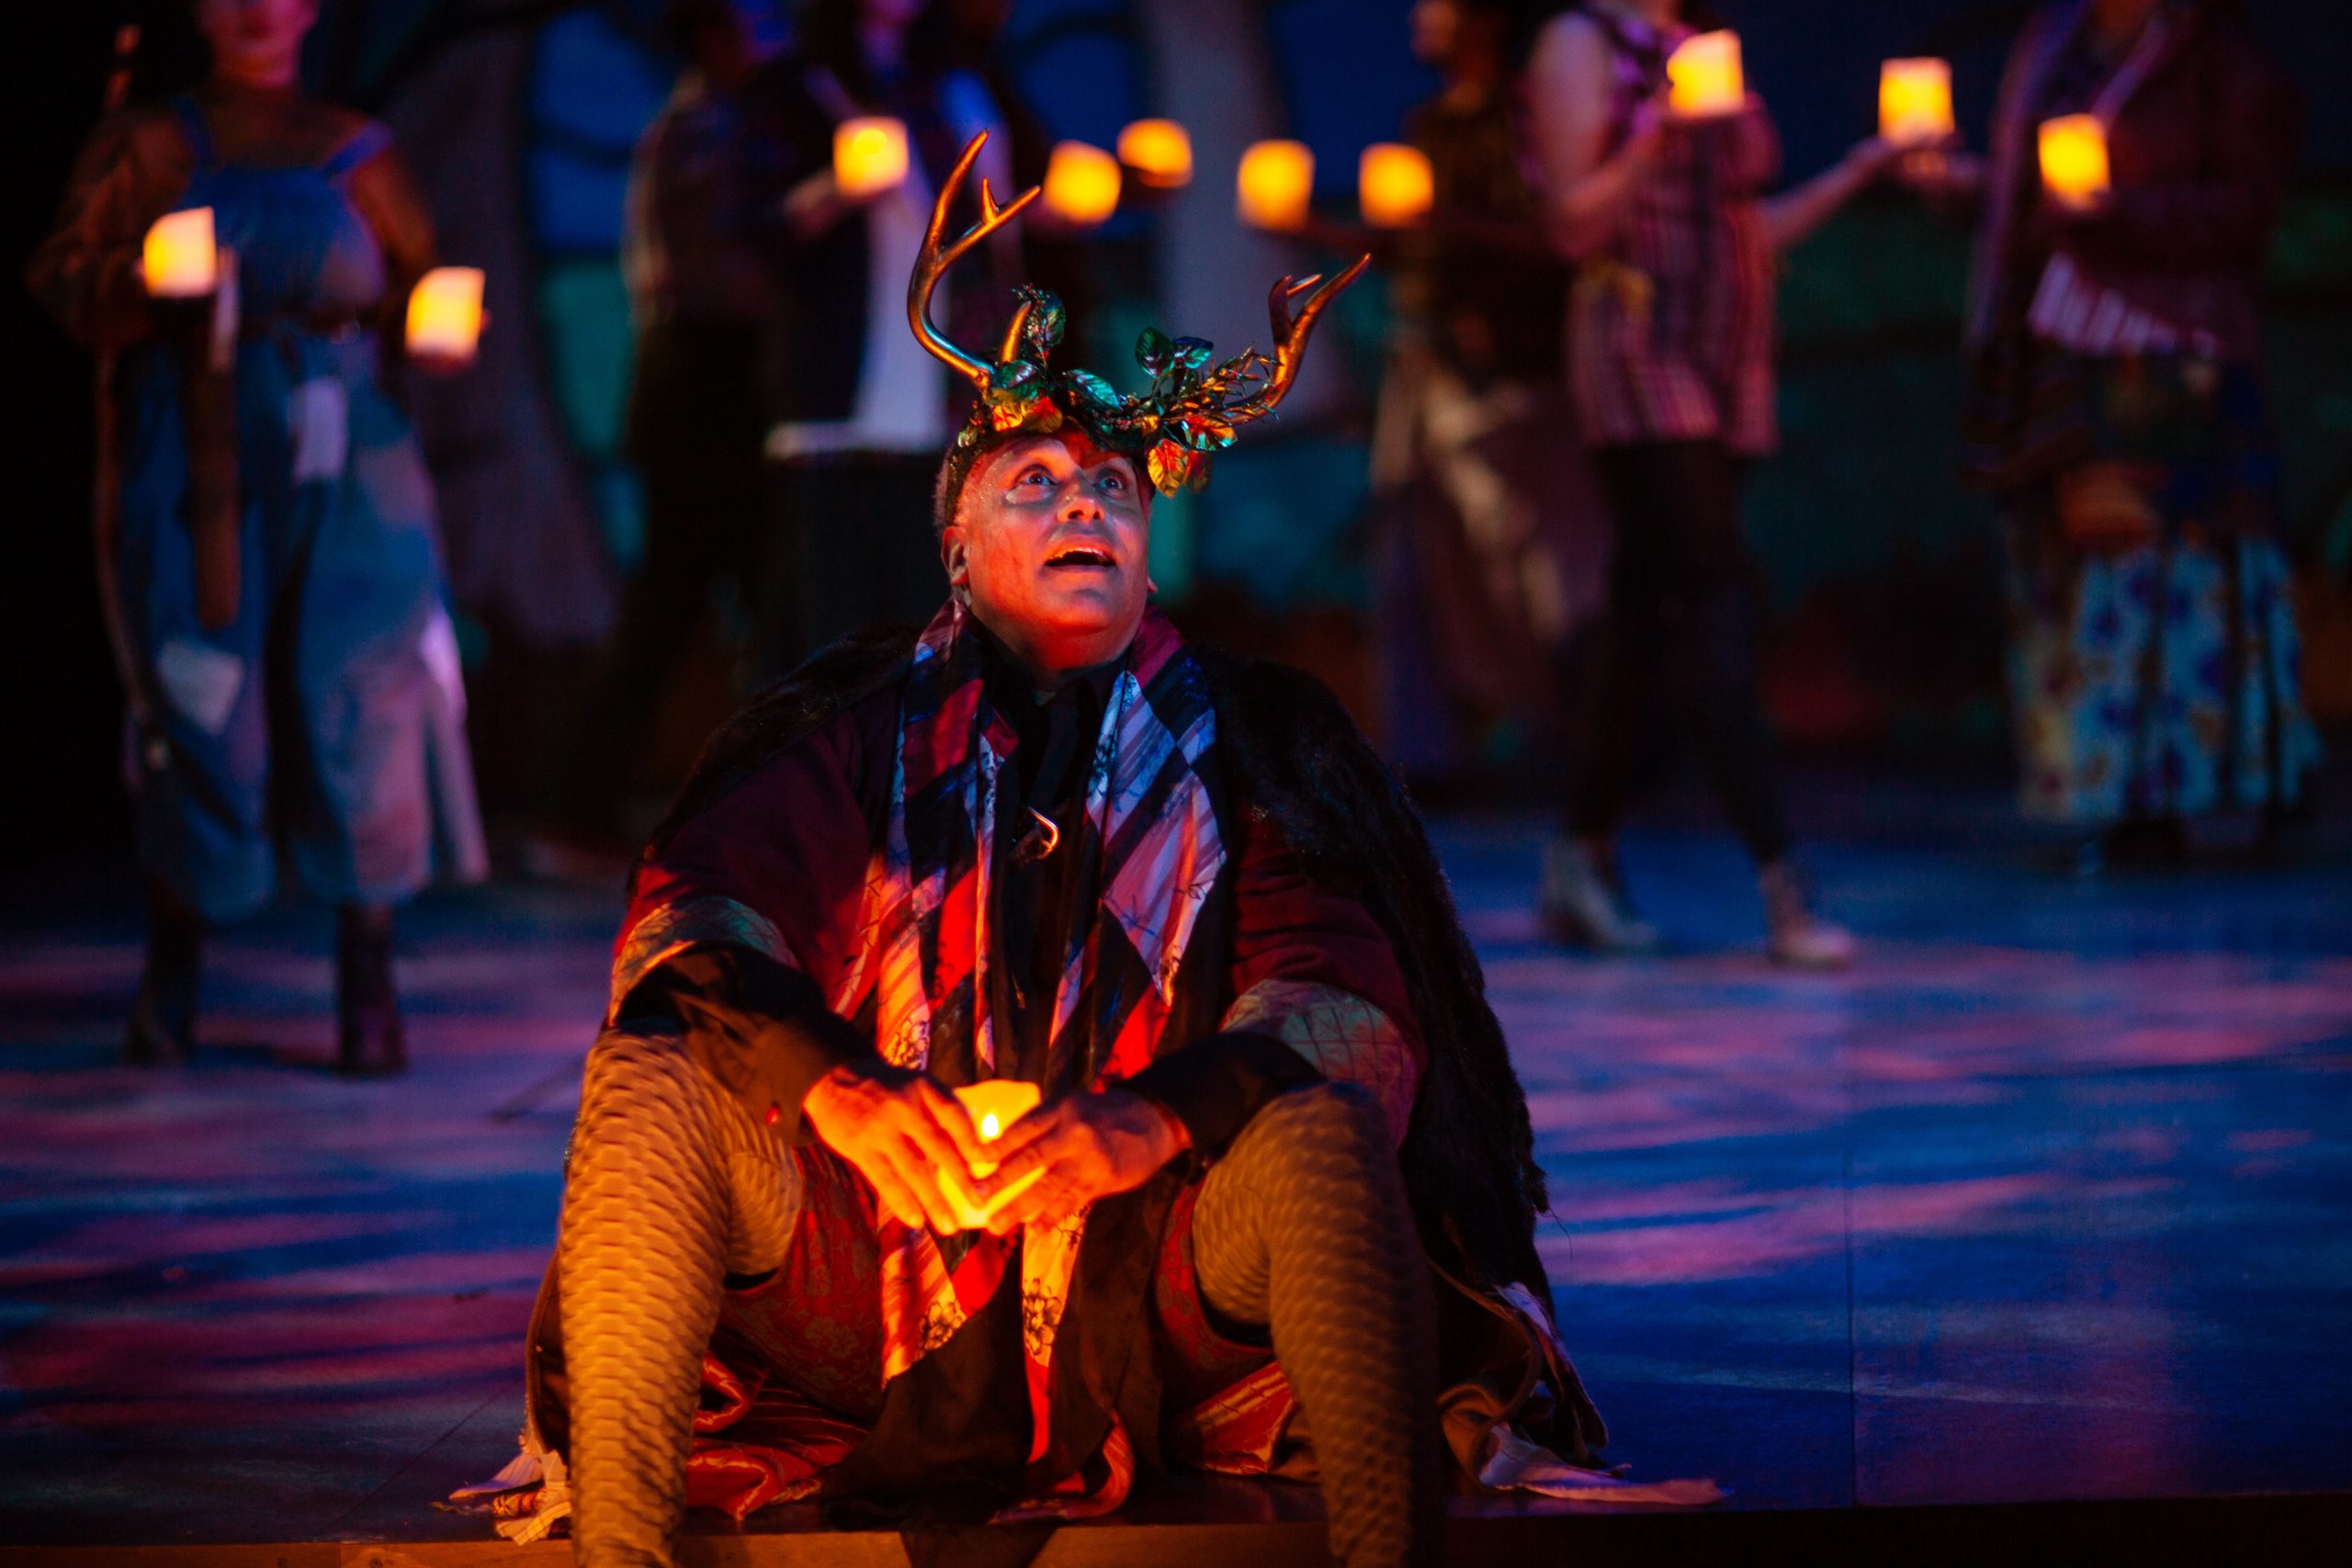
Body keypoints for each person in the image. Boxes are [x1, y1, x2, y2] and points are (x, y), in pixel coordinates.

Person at [452, 135, 1738, 1567]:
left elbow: (1340, 992)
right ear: (955, 546)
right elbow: (699, 915)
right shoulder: (847, 720)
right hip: (860, 1264)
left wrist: (1148, 1121)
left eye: (1113, 488)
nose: (1085, 502)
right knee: (651, 1071)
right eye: (1036, 480)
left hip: (1154, 1272)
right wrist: (842, 1091)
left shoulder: (1256, 737)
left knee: (1315, 1122)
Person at [28, 0, 485, 1074]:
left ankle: (367, 975)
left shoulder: (355, 148)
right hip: (198, 447)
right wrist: (140, 283)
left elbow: (419, 281)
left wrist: (435, 324)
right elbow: (60, 276)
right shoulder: (148, 142)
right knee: (200, 698)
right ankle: (175, 963)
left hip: (348, 448)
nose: (255, 11)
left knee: (363, 691)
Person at [1522, 0, 1898, 965]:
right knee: (1715, 598)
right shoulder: (1584, 43)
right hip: (1639, 345)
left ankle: (1578, 854)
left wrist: (1862, 171)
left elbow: (1739, 229)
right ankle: (1783, 883)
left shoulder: (1695, 47)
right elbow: (1571, 226)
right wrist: (1657, 132)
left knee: (1646, 617)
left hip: (1729, 353)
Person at [1930, 0, 2319, 865]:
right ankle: (2110, 794)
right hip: (2057, 353)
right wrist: (1973, 193)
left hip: (2167, 354)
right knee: (2078, 567)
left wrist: (2120, 213)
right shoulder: (2054, 45)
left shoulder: (2219, 63)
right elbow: (2034, 206)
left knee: (2172, 576)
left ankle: (2185, 789)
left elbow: (2245, 214)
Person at [543, 0, 786, 851]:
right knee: (674, 605)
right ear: (715, 39)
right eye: (758, 28)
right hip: (700, 392)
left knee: (725, 602)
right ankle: (576, 803)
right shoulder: (700, 131)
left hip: (718, 389)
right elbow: (720, 272)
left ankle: (756, 804)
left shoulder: (727, 126)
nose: (773, 46)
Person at [749, 0, 1025, 677]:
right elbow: (756, 227)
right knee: (836, 631)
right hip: (845, 403)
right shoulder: (799, 88)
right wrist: (837, 190)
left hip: (947, 401)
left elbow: (1001, 225)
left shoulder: (957, 89)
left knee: (932, 623)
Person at [1370, 0, 1590, 782]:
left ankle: (1569, 731)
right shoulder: (1429, 123)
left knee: (1527, 556)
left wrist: (1450, 225)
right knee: (1421, 548)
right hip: (1425, 354)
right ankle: (1436, 747)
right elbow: (1414, 243)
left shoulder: (1526, 117)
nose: (1419, 17)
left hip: (1508, 366)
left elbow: (1556, 234)